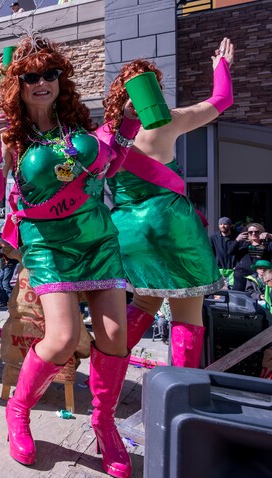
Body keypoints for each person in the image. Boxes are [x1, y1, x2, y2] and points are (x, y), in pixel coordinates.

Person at [0, 34, 140, 474]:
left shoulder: (78, 127)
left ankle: (104, 422)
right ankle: (18, 410)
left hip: (97, 239)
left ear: (60, 79)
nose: (42, 82)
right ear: (20, 84)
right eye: (31, 76)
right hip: (48, 244)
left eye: (50, 73)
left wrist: (127, 124)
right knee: (63, 338)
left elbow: (110, 168)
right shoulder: (11, 134)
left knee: (113, 338)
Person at [103, 38, 234, 377]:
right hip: (171, 225)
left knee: (144, 302)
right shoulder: (168, 122)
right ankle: (180, 391)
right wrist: (221, 65)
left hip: (127, 230)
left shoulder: (103, 136)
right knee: (187, 312)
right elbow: (223, 99)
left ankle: (105, 376)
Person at [232, 222, 272, 291]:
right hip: (241, 274)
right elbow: (230, 252)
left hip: (259, 275)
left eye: (256, 232)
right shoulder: (243, 243)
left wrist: (270, 236)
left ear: (261, 232)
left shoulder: (267, 244)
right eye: (250, 232)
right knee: (239, 296)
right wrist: (237, 240)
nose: (253, 234)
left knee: (257, 296)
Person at [210, 216, 241, 286]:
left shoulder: (237, 237)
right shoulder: (214, 237)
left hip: (233, 270)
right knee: (218, 292)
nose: (222, 226)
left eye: (225, 224)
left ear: (230, 225)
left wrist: (238, 265)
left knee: (231, 290)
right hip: (219, 269)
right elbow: (210, 253)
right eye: (220, 224)